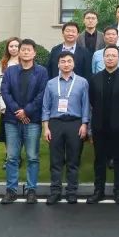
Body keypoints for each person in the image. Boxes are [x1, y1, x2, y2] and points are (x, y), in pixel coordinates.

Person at [0, 39, 48, 204]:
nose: (26, 52)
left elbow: (42, 94)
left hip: (32, 120)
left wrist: (27, 111)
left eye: (29, 50)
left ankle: (31, 190)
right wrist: (18, 111)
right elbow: (4, 91)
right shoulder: (10, 71)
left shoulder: (41, 72)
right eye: (23, 49)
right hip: (12, 120)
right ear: (19, 52)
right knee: (12, 157)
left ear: (34, 53)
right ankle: (11, 190)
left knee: (32, 157)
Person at [42, 52, 90, 204]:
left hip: (75, 123)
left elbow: (86, 105)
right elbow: (45, 106)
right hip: (55, 123)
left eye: (69, 61)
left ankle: (71, 191)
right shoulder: (51, 83)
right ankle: (55, 191)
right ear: (58, 64)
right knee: (55, 160)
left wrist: (84, 124)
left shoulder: (82, 82)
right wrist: (46, 127)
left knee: (73, 160)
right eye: (63, 61)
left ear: (73, 64)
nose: (66, 64)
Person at [87, 46, 119, 204]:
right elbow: (92, 101)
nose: (110, 58)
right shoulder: (95, 78)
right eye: (107, 56)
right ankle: (98, 190)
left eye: (113, 55)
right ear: (103, 58)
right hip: (99, 126)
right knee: (99, 159)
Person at [0, 37, 20, 145]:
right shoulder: (3, 63)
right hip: (4, 102)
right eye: (11, 46)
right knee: (6, 132)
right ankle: (9, 152)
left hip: (19, 102)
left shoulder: (24, 62)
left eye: (16, 46)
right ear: (7, 48)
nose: (13, 48)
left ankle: (17, 152)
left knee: (19, 130)